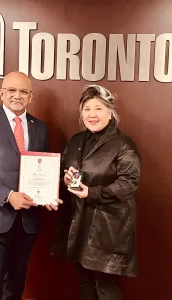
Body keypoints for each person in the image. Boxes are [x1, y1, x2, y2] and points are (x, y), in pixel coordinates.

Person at [0, 71, 62, 300]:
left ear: (30, 97)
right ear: (2, 93)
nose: (17, 95)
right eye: (12, 90)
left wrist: (50, 192)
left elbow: (43, 168)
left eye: (23, 92)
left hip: (27, 220)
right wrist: (9, 196)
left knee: (16, 286)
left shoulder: (40, 127)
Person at [52, 85, 141, 300]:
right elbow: (66, 170)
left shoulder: (123, 144)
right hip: (79, 222)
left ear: (111, 112)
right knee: (85, 278)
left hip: (108, 227)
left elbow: (129, 183)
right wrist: (65, 179)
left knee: (105, 284)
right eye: (87, 109)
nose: (92, 115)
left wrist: (91, 192)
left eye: (99, 109)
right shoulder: (75, 141)